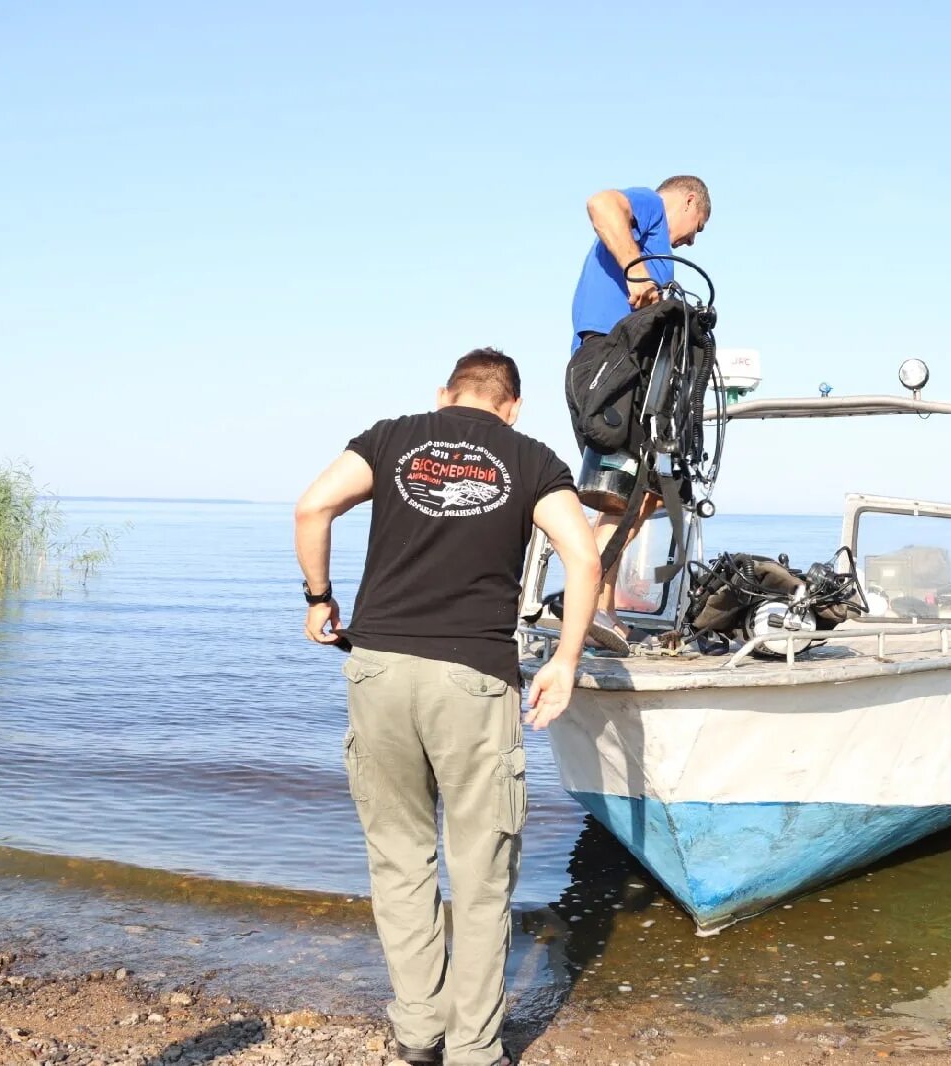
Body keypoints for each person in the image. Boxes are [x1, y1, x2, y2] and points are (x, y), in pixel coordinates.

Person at [293, 348, 600, 1066]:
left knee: (401, 862)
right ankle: (474, 1050)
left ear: (444, 394)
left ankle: (417, 1034)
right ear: (512, 405)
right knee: (483, 873)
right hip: (472, 678)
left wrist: (318, 597)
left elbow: (313, 505)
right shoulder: (529, 457)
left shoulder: (392, 436)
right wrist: (566, 660)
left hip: (378, 671)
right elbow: (583, 558)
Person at [569, 175, 711, 651]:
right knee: (623, 495)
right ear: (689, 200)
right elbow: (601, 202)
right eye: (698, 225)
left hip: (627, 373)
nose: (691, 239)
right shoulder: (649, 208)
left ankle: (600, 609)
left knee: (638, 496)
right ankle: (586, 602)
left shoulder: (661, 263)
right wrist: (635, 269)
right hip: (609, 364)